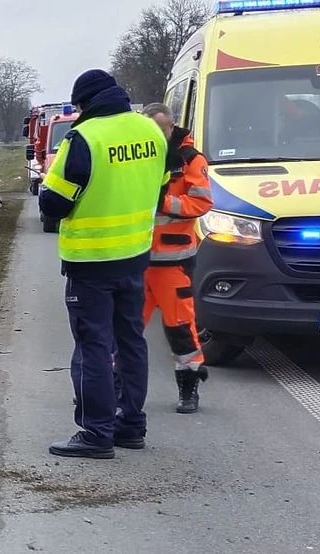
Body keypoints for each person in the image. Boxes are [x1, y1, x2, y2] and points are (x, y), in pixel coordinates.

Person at [39, 69, 168, 459]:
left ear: (84, 104)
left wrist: (50, 187)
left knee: (93, 346)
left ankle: (96, 432)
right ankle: (131, 425)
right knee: (131, 341)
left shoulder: (83, 139)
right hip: (135, 257)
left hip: (92, 262)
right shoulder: (151, 132)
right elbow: (159, 187)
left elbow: (53, 204)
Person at [141, 103, 215, 414]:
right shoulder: (140, 157)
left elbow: (201, 203)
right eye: (152, 130)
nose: (158, 135)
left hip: (173, 261)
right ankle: (116, 387)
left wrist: (162, 201)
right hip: (137, 259)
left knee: (180, 327)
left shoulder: (190, 161)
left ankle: (189, 388)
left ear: (172, 127)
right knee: (124, 328)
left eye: (163, 129)